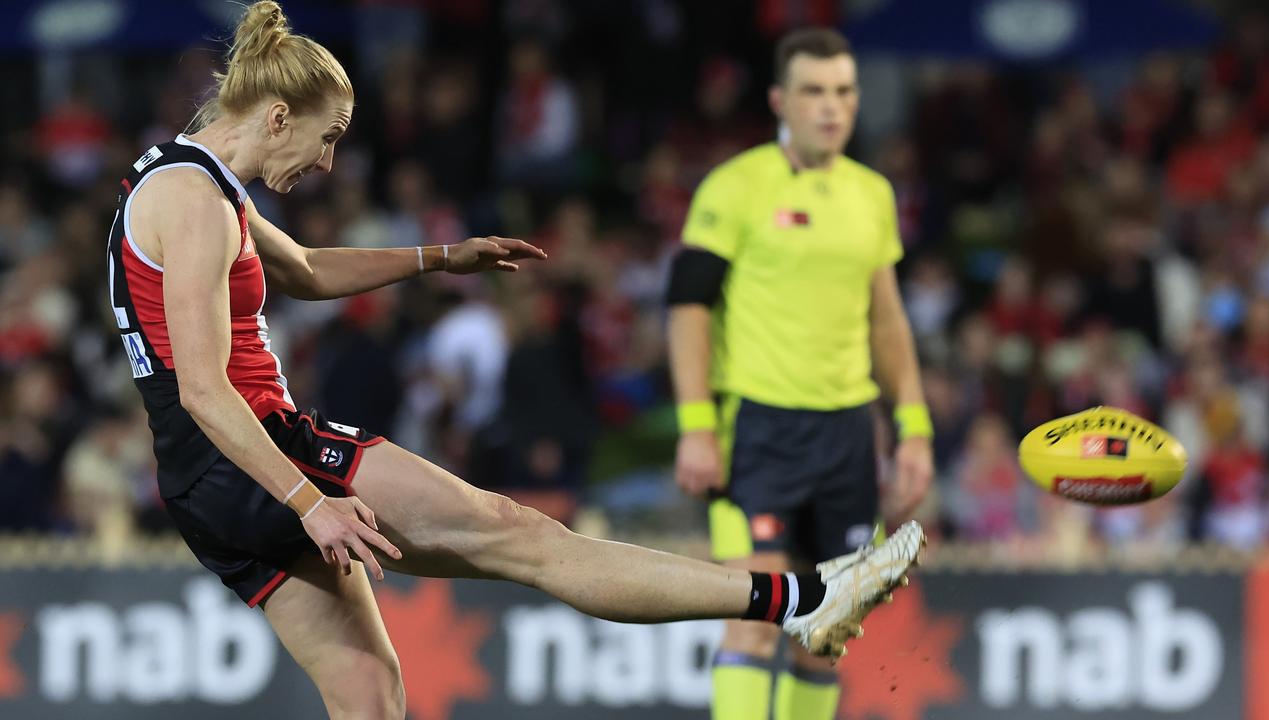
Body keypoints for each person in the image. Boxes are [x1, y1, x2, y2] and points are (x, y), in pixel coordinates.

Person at [105, 5, 923, 717]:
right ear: (279, 116)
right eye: (328, 140)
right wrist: (309, 502)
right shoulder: (199, 204)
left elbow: (309, 271)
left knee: (368, 694)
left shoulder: (187, 182)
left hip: (203, 484)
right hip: (258, 456)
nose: (326, 163)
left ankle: (803, 600)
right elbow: (208, 391)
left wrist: (441, 257)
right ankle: (806, 598)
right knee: (520, 536)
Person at [665, 28, 935, 720]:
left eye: (844, 91)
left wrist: (914, 429)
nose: (830, 107)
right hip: (758, 425)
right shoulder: (735, 188)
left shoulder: (871, 194)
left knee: (827, 629)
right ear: (781, 99)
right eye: (814, 91)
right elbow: (688, 308)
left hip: (848, 431)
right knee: (754, 616)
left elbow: (887, 321)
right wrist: (696, 426)